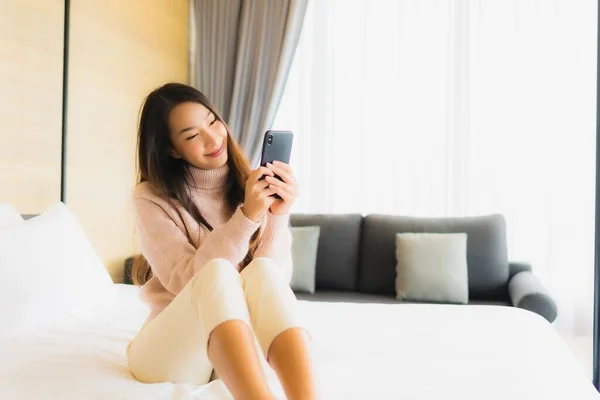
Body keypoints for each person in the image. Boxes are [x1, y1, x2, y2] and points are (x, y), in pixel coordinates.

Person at [127, 82, 315, 400]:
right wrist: (246, 219)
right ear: (172, 149)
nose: (213, 138)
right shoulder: (151, 198)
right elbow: (189, 280)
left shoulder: (250, 184)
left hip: (228, 345)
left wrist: (277, 216)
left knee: (263, 272)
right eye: (191, 135)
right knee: (216, 272)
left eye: (213, 122)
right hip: (169, 352)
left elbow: (274, 283)